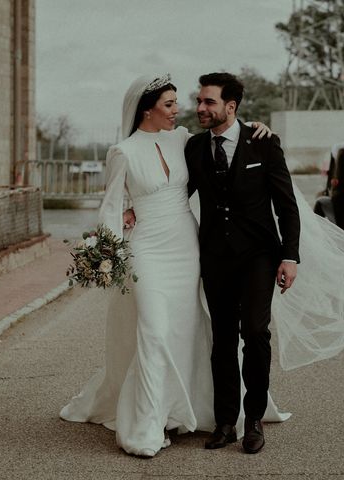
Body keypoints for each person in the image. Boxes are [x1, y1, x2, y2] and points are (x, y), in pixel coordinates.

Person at [59, 74, 285, 458]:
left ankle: (194, 412)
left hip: (188, 248)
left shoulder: (184, 140)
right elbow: (111, 205)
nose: (180, 110)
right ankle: (148, 421)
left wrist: (255, 128)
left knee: (189, 331)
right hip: (148, 250)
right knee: (155, 331)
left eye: (180, 103)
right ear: (147, 109)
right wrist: (109, 249)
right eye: (170, 104)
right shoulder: (123, 152)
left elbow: (217, 165)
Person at [184, 72, 300, 454]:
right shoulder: (194, 148)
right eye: (199, 101)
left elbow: (286, 205)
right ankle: (224, 422)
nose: (200, 108)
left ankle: (253, 421)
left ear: (230, 106)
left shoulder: (263, 144)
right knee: (222, 340)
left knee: (255, 332)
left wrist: (290, 255)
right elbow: (173, 194)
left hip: (259, 256)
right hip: (215, 256)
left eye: (209, 102)